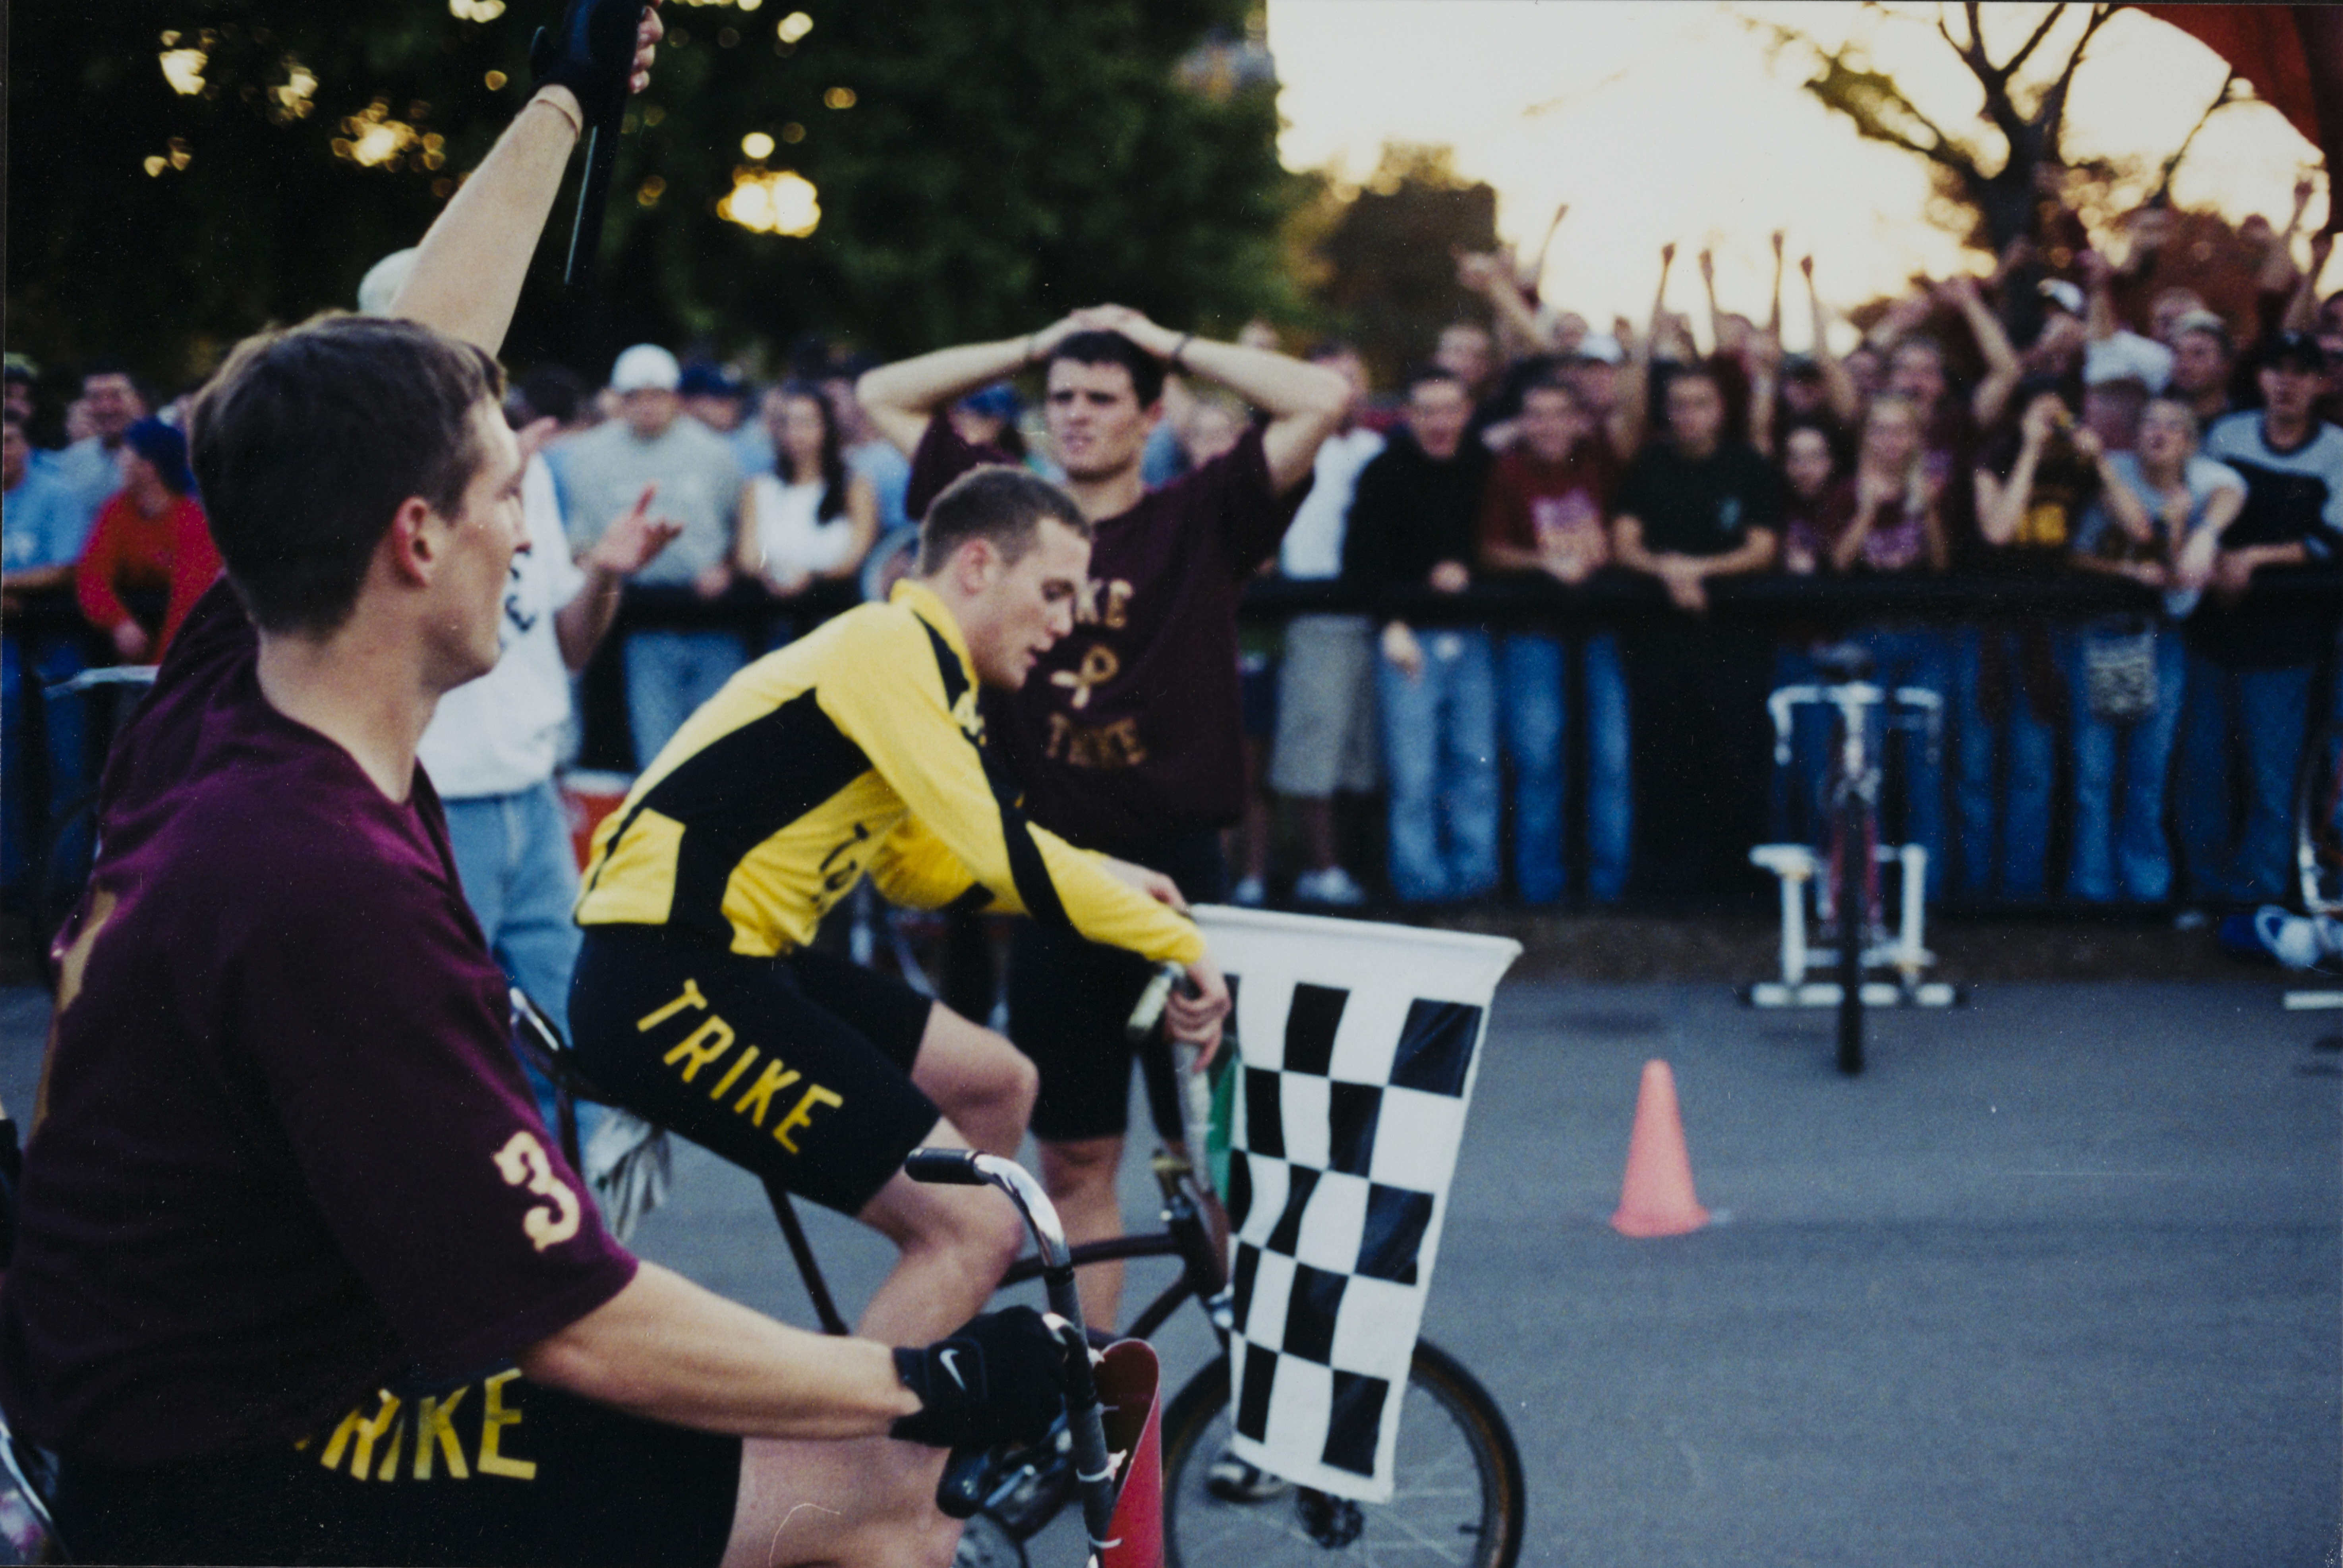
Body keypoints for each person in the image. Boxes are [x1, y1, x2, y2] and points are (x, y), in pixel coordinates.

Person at [0, 17, 1074, 1567]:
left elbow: (424, 341)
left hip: (203, 1397)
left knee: (857, 1489)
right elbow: (578, 1319)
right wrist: (927, 1382)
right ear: (416, 537)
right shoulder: (324, 886)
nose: (528, 529)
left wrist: (562, 95)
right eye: (511, 490)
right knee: (871, 1507)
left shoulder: (239, 681)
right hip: (237, 1470)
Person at [569, 463, 1230, 1346]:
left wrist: (1105, 873)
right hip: (662, 973)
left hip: (730, 960)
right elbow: (992, 843)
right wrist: (1170, 938)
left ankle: (930, 1350)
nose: (1069, 623)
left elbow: (920, 870)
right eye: (1055, 593)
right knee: (977, 1229)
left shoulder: (933, 673)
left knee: (997, 1081)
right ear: (978, 566)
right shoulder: (890, 645)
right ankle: (865, 1424)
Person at [857, 306, 1346, 1333]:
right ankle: (1095, 1396)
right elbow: (883, 394)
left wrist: (1159, 340)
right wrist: (1034, 344)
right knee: (1075, 1157)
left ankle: (1253, 1386)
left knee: (1213, 1154)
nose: (1077, 414)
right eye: (1063, 398)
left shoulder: (1199, 514)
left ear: (1151, 414)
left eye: (1102, 397)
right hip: (1052, 879)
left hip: (1180, 877)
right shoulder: (1003, 517)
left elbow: (1322, 398)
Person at [2179, 332, 2343, 902]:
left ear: (2320, 382)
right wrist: (2219, 558)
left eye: (2301, 371)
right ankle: (2205, 895)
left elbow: (2332, 539)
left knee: (2273, 779)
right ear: (2260, 378)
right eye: (2276, 369)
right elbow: (2196, 509)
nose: (2286, 382)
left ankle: (2260, 901)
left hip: (2286, 647)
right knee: (2202, 773)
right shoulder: (2227, 435)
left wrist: (2253, 558)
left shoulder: (2337, 450)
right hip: (2214, 634)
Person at [1611, 366, 1781, 896]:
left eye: (1701, 403)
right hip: (1659, 643)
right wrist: (1666, 570)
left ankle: (1737, 889)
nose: (1689, 415)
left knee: (1735, 755)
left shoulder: (1747, 465)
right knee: (1664, 758)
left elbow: (1762, 547)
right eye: (1679, 404)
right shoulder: (1649, 463)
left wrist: (1695, 570)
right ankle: (1667, 890)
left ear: (1720, 409)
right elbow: (1624, 544)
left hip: (1733, 643)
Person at [2067, 396, 2242, 904]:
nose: (2159, 433)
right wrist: (2124, 570)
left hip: (2161, 639)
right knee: (2094, 775)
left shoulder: (2202, 487)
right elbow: (2076, 555)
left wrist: (2185, 529)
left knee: (2149, 772)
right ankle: (2092, 892)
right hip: (2099, 633)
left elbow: (2178, 591)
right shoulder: (2113, 473)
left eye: (2172, 426)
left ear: (2189, 443)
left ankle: (2146, 891)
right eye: (2149, 423)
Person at [1962, 389, 2125, 902]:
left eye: (2060, 413)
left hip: (2047, 630)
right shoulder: (1994, 457)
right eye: (2042, 413)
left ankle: (2022, 892)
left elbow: (2135, 525)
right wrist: (2030, 450)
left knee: (2032, 770)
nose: (2053, 423)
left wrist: (2100, 463)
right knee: (1975, 768)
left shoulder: (2078, 466)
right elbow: (1998, 530)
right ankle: (1973, 891)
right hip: (1986, 626)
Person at [1475, 372, 1632, 905]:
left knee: (1611, 759)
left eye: (1558, 414)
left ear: (1578, 421)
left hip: (1601, 630)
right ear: (1522, 422)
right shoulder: (1508, 468)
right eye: (1536, 415)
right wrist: (1545, 562)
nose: (1548, 426)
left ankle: (1611, 888)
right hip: (1533, 633)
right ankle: (1539, 889)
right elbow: (1490, 549)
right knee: (1538, 760)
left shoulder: (1599, 461)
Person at [1345, 364, 1498, 904]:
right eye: (1427, 411)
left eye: (1450, 409)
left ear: (1467, 412)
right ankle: (1420, 885)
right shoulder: (1382, 472)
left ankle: (1476, 881)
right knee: (1413, 772)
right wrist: (1390, 622)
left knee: (1476, 763)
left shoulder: (1484, 465)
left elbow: (1501, 544)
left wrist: (1469, 570)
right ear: (1408, 415)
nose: (1440, 422)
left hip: (1473, 635)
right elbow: (1360, 561)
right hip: (1407, 637)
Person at [552, 343, 746, 766]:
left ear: (675, 396)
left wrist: (728, 568)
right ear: (618, 400)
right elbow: (580, 540)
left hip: (711, 616)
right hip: (641, 622)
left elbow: (741, 525)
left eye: (657, 394)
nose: (647, 406)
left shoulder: (714, 452)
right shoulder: (587, 457)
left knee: (723, 746)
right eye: (634, 396)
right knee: (658, 750)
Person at [1267, 342, 1384, 910]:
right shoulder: (1291, 447)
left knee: (1360, 757)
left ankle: (1351, 870)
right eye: (1328, 379)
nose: (1342, 391)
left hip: (1374, 618)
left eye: (1351, 378)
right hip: (1314, 613)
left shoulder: (1377, 449)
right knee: (1313, 751)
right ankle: (1322, 870)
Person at [1, 416, 97, 911]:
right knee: (5, 766)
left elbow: (66, 567)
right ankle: (12, 886)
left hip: (57, 648)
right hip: (5, 652)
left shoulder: (56, 494)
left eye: (9, 441)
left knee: (67, 763)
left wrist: (8, 585)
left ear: (27, 446)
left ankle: (68, 884)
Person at [734, 380, 878, 643]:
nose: (795, 434)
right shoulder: (760, 487)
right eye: (787, 423)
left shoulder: (854, 486)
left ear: (827, 426)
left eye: (806, 423)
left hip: (834, 621)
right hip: (774, 621)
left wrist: (811, 578)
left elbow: (854, 557)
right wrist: (772, 575)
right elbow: (748, 558)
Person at [73, 417, 220, 663]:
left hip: (181, 652)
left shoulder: (192, 521)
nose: (119, 461)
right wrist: (119, 622)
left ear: (148, 467)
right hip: (130, 641)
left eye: (126, 453)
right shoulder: (116, 510)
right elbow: (92, 576)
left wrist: (162, 669)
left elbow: (189, 605)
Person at [43, 364, 146, 532]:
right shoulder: (72, 460)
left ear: (138, 401)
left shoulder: (160, 456)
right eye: (95, 398)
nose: (106, 408)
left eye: (116, 396)